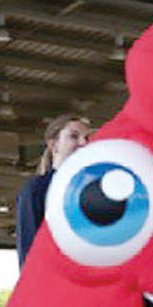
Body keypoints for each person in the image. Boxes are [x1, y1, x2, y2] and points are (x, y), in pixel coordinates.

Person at [16, 113, 92, 268]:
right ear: (53, 145)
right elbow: (29, 247)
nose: (83, 143)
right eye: (73, 136)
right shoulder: (37, 188)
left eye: (87, 138)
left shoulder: (92, 189)